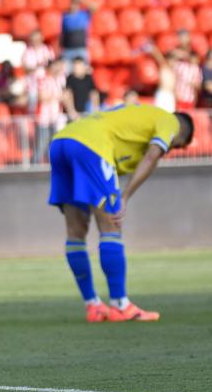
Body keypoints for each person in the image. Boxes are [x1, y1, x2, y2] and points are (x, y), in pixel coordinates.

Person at [48, 104, 194, 323]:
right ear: (182, 134)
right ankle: (120, 305)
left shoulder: (138, 117)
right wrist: (124, 196)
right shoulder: (170, 121)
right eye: (177, 146)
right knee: (111, 225)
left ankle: (93, 306)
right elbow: (153, 155)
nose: (170, 150)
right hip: (91, 144)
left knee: (75, 231)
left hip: (61, 141)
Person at [60, 0, 97, 64]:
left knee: (84, 70)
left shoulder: (84, 14)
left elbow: (95, 6)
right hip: (68, 49)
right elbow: (62, 33)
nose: (74, 5)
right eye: (73, 3)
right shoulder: (65, 16)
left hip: (81, 48)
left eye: (76, 4)